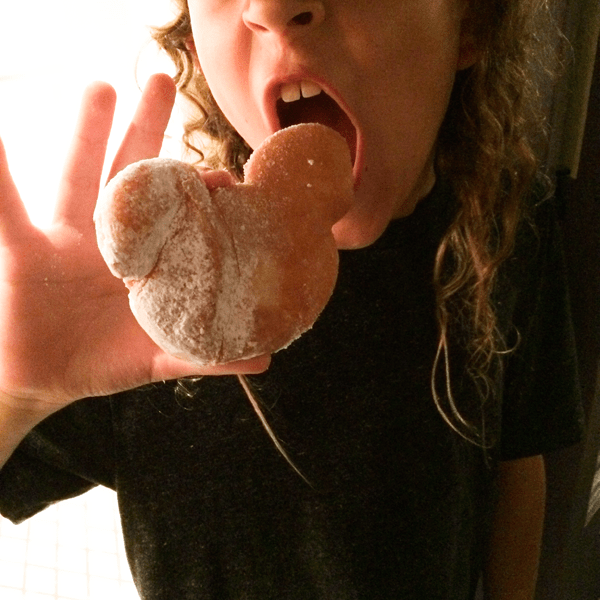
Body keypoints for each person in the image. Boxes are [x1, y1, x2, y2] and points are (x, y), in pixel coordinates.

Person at [0, 0, 584, 598]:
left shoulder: (512, 227)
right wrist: (16, 394)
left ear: (472, 22)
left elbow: (519, 458)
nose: (270, 7)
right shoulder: (148, 293)